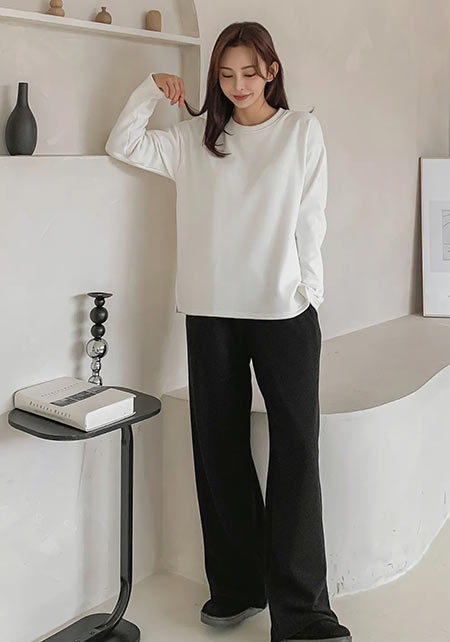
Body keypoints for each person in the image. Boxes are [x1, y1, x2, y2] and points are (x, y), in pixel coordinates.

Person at [105, 19, 352, 642]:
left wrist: (309, 292)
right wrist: (148, 90)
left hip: (284, 313)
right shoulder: (194, 138)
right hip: (211, 312)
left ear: (271, 71)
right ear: (215, 77)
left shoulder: (300, 131)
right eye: (226, 74)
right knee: (217, 448)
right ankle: (238, 587)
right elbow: (122, 144)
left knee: (297, 452)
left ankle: (304, 615)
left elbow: (312, 216)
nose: (239, 84)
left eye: (249, 72)